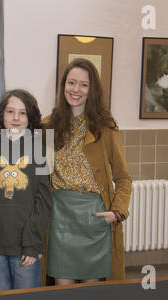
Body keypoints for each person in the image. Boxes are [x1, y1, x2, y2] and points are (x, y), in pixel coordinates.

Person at [44, 58, 132, 285]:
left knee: (91, 292)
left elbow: (123, 178)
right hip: (60, 218)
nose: (76, 90)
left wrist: (118, 211)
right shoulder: (47, 126)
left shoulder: (106, 128)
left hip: (95, 217)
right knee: (63, 290)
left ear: (92, 89)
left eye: (84, 84)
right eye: (71, 83)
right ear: (63, 85)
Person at [0, 89, 52, 291]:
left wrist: (32, 244)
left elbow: (43, 203)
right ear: (1, 115)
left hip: (25, 246)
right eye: (10, 111)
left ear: (30, 117)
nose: (16, 118)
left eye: (22, 113)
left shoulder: (38, 151)